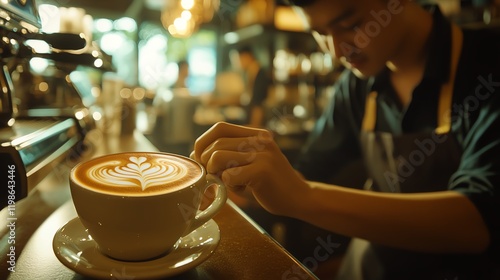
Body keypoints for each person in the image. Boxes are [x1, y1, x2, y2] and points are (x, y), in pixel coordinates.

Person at [193, 0, 500, 279]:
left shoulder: (486, 64)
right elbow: (307, 172)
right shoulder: (356, 88)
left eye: (350, 25)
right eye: (319, 33)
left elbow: (478, 224)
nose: (337, 51)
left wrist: (303, 197)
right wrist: (243, 184)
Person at [207, 46, 272, 127]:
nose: (239, 63)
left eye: (239, 59)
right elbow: (245, 98)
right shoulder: (250, 73)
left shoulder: (260, 74)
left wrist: (253, 128)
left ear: (247, 56)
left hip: (258, 124)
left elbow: (258, 105)